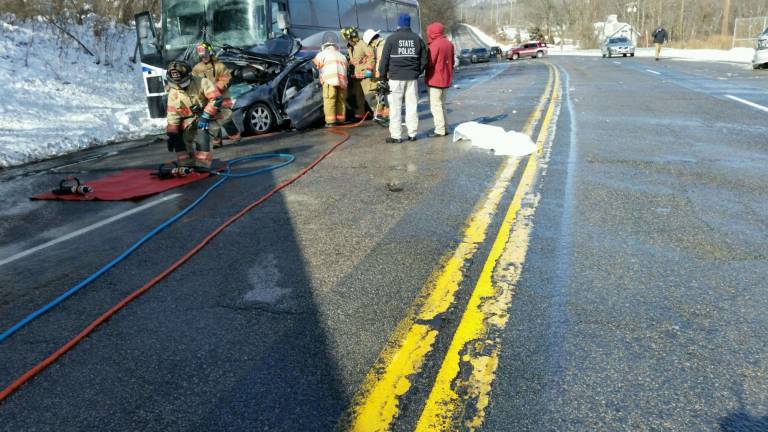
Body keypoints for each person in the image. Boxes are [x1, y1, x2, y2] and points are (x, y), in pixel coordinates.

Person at [165, 60, 224, 171]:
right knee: (179, 138)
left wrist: (206, 116)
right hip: (190, 120)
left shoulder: (202, 83)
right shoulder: (173, 92)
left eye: (182, 84)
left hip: (209, 117)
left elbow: (216, 99)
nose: (180, 87)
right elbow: (172, 114)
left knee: (202, 136)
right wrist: (172, 133)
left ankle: (203, 164)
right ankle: (186, 164)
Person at [378, 13, 427, 143]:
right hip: (412, 78)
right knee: (412, 106)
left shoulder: (391, 39)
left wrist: (382, 78)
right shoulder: (417, 39)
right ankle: (412, 134)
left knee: (395, 107)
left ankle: (397, 136)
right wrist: (417, 72)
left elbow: (384, 61)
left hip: (395, 78)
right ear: (409, 24)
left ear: (398, 24)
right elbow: (424, 59)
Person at [191, 41, 240, 147]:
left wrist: (215, 89)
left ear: (210, 52)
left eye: (205, 52)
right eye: (200, 52)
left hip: (221, 98)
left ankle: (235, 136)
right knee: (212, 122)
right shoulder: (196, 69)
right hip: (207, 100)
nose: (203, 55)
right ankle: (216, 141)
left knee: (225, 118)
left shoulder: (219, 66)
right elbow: (195, 84)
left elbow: (226, 79)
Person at [425, 22, 454, 138]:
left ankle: (440, 130)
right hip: (446, 79)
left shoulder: (434, 45)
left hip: (435, 80)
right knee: (442, 105)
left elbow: (429, 63)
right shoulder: (449, 44)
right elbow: (452, 62)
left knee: (435, 106)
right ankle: (445, 127)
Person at [313, 40, 349, 127]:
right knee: (341, 100)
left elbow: (315, 64)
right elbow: (347, 68)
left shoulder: (323, 54)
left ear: (325, 48)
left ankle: (331, 122)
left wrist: (318, 73)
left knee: (330, 100)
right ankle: (341, 120)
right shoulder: (342, 56)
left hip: (330, 80)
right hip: (342, 82)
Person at [342, 27, 374, 121]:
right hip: (356, 77)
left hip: (365, 76)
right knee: (358, 97)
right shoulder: (350, 47)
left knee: (370, 96)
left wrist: (368, 71)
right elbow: (353, 61)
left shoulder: (362, 44)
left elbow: (371, 57)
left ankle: (378, 114)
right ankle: (359, 115)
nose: (348, 40)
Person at [362, 29, 389, 124]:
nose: (370, 46)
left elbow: (382, 63)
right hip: (385, 75)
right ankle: (384, 116)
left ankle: (387, 117)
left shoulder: (381, 46)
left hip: (384, 76)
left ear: (372, 40)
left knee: (385, 97)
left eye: (370, 44)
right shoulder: (382, 45)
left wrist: (379, 75)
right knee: (383, 97)